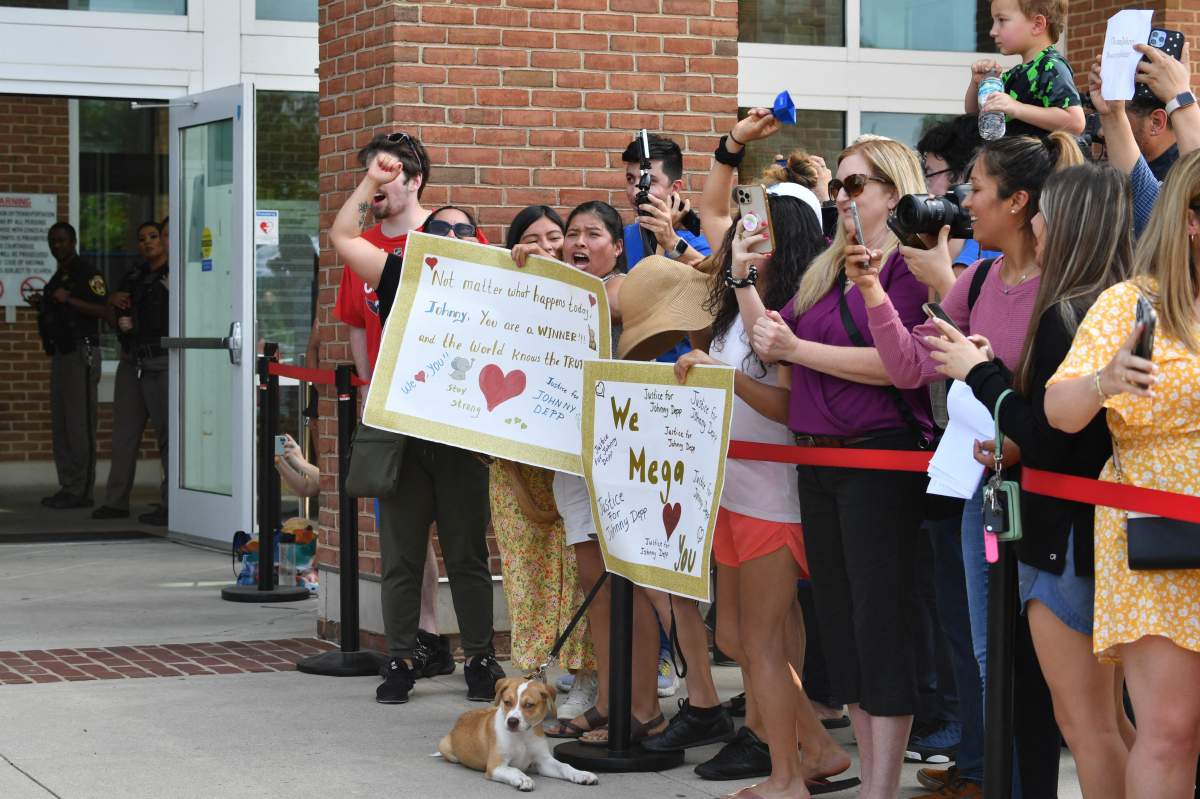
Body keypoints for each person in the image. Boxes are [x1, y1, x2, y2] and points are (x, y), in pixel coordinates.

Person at [858, 131, 1083, 798]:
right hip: (987, 499)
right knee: (990, 663)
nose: (960, 203)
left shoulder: (1066, 285)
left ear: (1016, 202)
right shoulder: (980, 278)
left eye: (975, 190)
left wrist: (991, 380)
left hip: (1050, 504)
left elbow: (1056, 404)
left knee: (1050, 680)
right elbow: (908, 365)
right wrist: (873, 289)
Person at [926, 163, 1137, 799]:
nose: (1036, 221)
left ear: (1070, 223)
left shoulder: (1068, 312)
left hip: (1063, 539)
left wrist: (978, 372)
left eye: (1048, 210)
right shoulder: (1117, 301)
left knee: (1087, 725)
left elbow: (1050, 431)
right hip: (1099, 535)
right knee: (1116, 723)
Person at [745, 136, 931, 799]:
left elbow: (897, 367)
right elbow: (773, 344)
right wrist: (743, 279)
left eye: (854, 185)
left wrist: (798, 347)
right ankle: (871, 781)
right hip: (818, 458)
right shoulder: (828, 265)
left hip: (880, 457)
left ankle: (881, 786)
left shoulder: (912, 266)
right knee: (844, 624)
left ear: (892, 190)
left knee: (880, 622)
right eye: (839, 187)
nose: (843, 198)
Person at [671, 183, 858, 797]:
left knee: (761, 641)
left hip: (775, 495)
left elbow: (787, 407)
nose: (747, 229)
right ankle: (821, 748)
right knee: (733, 638)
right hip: (730, 489)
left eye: (761, 221)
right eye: (743, 221)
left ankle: (787, 776)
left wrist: (720, 378)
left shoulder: (794, 310)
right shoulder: (739, 303)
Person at [1044, 149, 1200, 799]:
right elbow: (1059, 409)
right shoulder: (1132, 304)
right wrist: (1105, 380)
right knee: (1168, 728)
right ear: (1190, 220)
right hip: (1159, 534)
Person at [330, 151, 503, 707]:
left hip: (459, 434)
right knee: (402, 553)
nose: (453, 235)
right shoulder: (396, 270)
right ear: (425, 237)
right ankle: (401, 657)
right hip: (401, 428)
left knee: (467, 552)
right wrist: (371, 182)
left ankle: (479, 655)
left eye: (464, 230)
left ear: (477, 241)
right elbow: (342, 235)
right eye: (442, 228)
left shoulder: (490, 280)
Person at [542, 201, 667, 745]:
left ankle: (643, 709)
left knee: (629, 587)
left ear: (618, 248)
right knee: (595, 586)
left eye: (594, 234)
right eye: (572, 233)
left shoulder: (622, 289)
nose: (579, 242)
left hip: (620, 457)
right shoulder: (555, 289)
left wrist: (543, 279)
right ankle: (612, 701)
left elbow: (607, 309)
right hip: (570, 458)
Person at [330, 131, 452, 683]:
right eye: (369, 178)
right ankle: (423, 633)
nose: (378, 187)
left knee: (456, 528)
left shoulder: (447, 232)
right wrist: (365, 397)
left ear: (416, 179)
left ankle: (465, 642)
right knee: (403, 536)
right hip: (390, 408)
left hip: (446, 404)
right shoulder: (364, 248)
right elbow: (358, 327)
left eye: (388, 176)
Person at [494, 205, 598, 723]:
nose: (548, 247)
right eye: (532, 239)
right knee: (529, 577)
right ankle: (531, 686)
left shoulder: (590, 294)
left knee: (580, 575)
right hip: (515, 456)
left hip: (574, 455)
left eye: (555, 237)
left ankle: (586, 679)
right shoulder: (507, 293)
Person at [92, 221, 170, 526]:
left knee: (167, 435)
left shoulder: (174, 275)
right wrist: (112, 302)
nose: (148, 243)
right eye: (142, 238)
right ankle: (115, 501)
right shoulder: (134, 274)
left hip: (161, 360)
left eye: (154, 237)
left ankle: (170, 503)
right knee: (123, 434)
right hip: (130, 361)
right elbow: (112, 313)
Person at [30, 222, 107, 510]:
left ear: (73, 240)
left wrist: (70, 299)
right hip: (62, 353)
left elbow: (105, 310)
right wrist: (44, 303)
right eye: (52, 241)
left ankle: (81, 490)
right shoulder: (59, 275)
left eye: (61, 240)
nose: (56, 245)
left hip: (82, 352)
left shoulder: (86, 272)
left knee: (79, 424)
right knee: (61, 424)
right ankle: (67, 485)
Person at [965, 0, 1084, 139]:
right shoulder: (1014, 75)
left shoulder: (1051, 67)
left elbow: (1076, 122)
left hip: (1039, 160)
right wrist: (976, 84)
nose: (992, 31)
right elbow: (974, 115)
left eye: (1002, 20)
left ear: (1037, 25)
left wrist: (1017, 108)